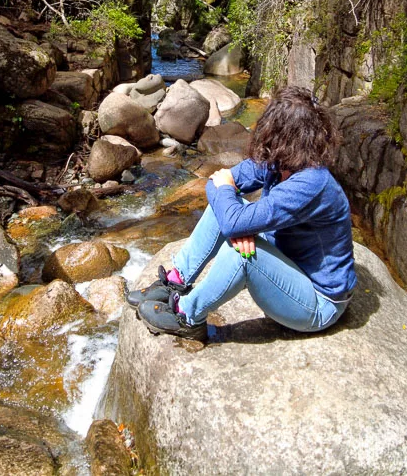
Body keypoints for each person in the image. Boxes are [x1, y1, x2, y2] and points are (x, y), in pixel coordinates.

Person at [127, 86, 357, 341]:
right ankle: (174, 281)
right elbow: (217, 183)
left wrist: (238, 225)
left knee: (242, 253)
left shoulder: (311, 183)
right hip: (287, 263)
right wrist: (237, 222)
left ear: (286, 136)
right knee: (225, 208)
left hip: (317, 302)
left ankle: (187, 316)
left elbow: (230, 207)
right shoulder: (278, 162)